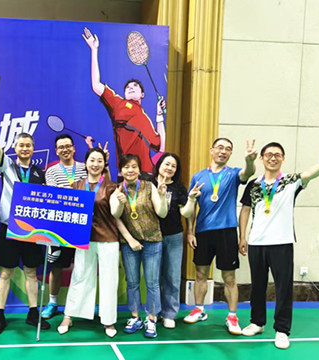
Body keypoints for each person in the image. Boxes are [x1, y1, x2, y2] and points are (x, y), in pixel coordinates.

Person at [238, 143, 319, 349]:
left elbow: (308, 174)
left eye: (277, 155)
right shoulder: (253, 185)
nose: (273, 158)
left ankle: (282, 330)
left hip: (282, 243)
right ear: (262, 158)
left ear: (283, 159)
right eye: (269, 154)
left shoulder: (290, 181)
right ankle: (257, 322)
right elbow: (245, 210)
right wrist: (242, 237)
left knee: (283, 288)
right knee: (257, 285)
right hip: (256, 242)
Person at [0, 106, 50, 335]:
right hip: (10, 228)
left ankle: (33, 313)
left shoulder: (39, 173)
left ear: (33, 148)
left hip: (32, 230)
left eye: (28, 145)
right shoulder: (7, 165)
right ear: (15, 148)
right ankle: (0, 316)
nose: (24, 148)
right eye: (21, 145)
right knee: (6, 273)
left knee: (31, 273)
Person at [184, 138, 257, 334]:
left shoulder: (232, 174)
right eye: (220, 147)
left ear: (231, 154)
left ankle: (232, 316)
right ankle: (199, 310)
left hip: (227, 231)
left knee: (229, 277)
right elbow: (191, 206)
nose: (223, 151)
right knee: (200, 274)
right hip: (203, 232)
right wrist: (190, 231)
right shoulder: (198, 176)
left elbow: (247, 173)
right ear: (212, 150)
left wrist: (249, 160)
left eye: (228, 149)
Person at [82, 27, 166, 175]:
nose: (131, 88)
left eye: (135, 86)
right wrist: (94, 50)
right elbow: (96, 85)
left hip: (147, 174)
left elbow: (161, 147)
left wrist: (159, 116)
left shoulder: (145, 119)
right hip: (125, 171)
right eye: (128, 87)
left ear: (142, 94)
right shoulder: (118, 103)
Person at [57, 147, 120, 338]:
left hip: (108, 239)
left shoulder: (111, 187)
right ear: (85, 163)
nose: (95, 164)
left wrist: (120, 203)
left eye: (99, 161)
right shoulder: (76, 185)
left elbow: (116, 212)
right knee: (80, 276)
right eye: (92, 160)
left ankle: (108, 320)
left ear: (104, 164)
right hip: (84, 240)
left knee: (109, 280)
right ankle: (69, 316)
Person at [110, 154, 168, 338]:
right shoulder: (117, 190)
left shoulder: (149, 186)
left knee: (152, 283)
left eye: (134, 166)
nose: (130, 170)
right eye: (126, 167)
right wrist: (130, 240)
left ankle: (151, 319)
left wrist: (162, 196)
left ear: (139, 169)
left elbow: (162, 213)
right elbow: (115, 216)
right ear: (121, 171)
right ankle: (135, 317)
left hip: (153, 240)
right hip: (129, 243)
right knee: (132, 282)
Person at [152, 153, 201, 329]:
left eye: (173, 166)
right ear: (159, 165)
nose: (169, 168)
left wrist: (191, 199)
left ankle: (169, 314)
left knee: (172, 276)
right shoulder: (148, 183)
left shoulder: (179, 188)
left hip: (173, 236)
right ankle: (154, 312)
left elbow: (186, 212)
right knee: (153, 278)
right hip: (152, 237)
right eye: (167, 164)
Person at [42, 133, 87, 319]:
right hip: (58, 228)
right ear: (56, 151)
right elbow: (55, 197)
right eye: (61, 147)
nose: (65, 150)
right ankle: (52, 302)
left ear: (74, 148)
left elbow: (89, 192)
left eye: (68, 146)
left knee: (83, 267)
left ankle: (82, 304)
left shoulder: (85, 167)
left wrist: (68, 192)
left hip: (81, 226)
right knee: (56, 267)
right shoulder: (51, 171)